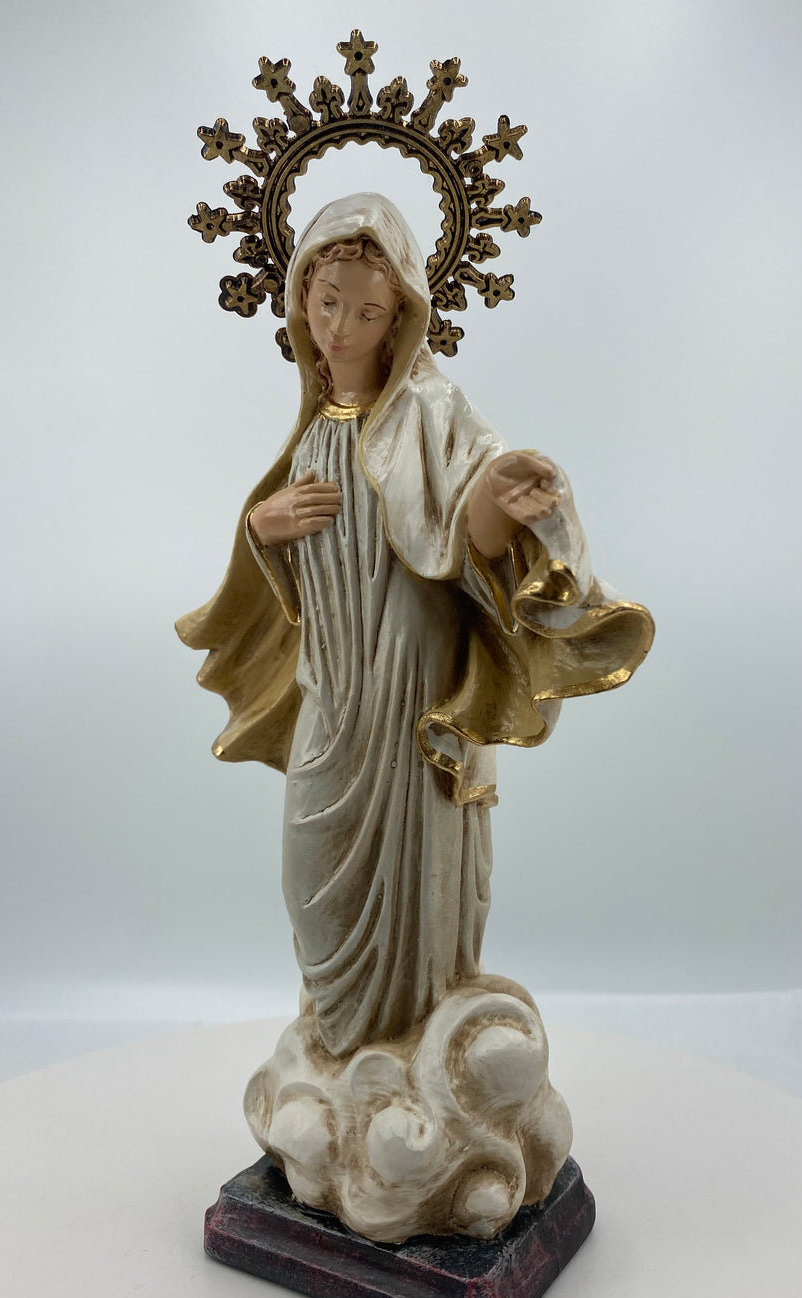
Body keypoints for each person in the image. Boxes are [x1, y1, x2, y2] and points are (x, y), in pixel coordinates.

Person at [177, 193, 653, 1058]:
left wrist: (501, 499)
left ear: (400, 314)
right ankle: (342, 1043)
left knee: (418, 858)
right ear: (300, 294)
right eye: (327, 303)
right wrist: (261, 527)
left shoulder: (430, 410)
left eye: (365, 311)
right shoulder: (314, 427)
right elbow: (282, 570)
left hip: (409, 679)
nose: (340, 327)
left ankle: (409, 1042)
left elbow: (469, 536)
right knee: (309, 870)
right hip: (333, 681)